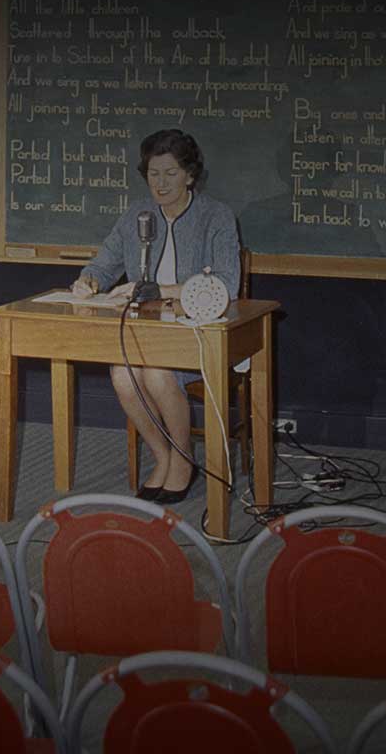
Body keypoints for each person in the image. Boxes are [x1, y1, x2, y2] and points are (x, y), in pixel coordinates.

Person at [70, 129, 241, 504]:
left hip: (197, 335)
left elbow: (227, 284)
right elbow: (103, 265)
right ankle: (163, 456)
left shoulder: (217, 216)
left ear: (190, 175)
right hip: (146, 334)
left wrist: (158, 290)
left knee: (157, 373)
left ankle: (183, 460)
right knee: (122, 374)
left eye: (170, 173)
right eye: (153, 174)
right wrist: (88, 281)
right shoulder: (136, 215)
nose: (160, 184)